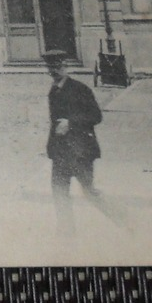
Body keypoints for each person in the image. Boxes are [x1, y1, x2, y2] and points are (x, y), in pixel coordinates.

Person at [44, 49, 104, 224]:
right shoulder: (53, 91)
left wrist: (71, 123)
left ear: (66, 66)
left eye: (58, 66)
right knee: (59, 193)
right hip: (61, 153)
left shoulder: (79, 89)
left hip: (81, 152)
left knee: (89, 192)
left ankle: (125, 219)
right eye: (50, 68)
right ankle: (66, 235)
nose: (54, 71)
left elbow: (96, 116)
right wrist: (51, 148)